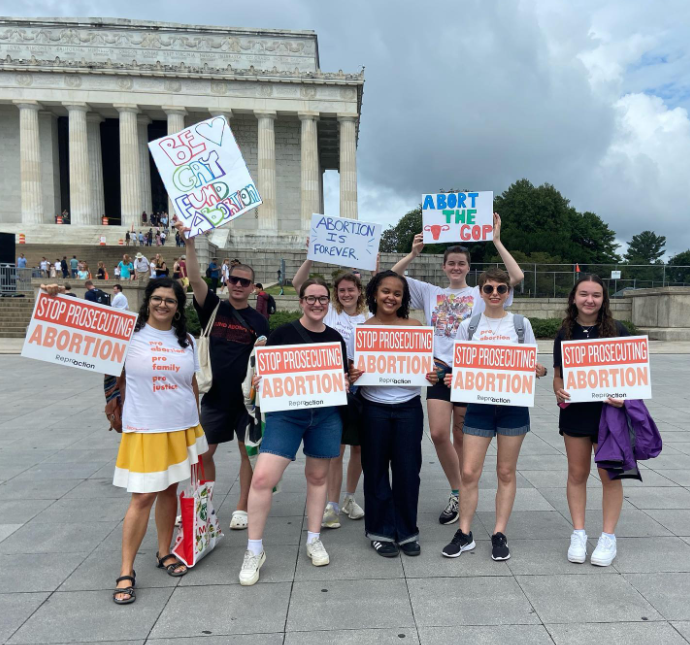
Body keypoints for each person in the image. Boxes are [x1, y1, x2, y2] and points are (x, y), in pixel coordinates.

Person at [392, 214, 524, 525]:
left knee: (461, 436)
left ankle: (465, 490)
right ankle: (456, 489)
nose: (455, 268)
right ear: (444, 266)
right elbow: (389, 276)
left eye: (461, 264)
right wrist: (412, 255)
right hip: (437, 370)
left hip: (468, 372)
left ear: (468, 267)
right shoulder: (429, 292)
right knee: (438, 433)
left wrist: (496, 240)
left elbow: (515, 277)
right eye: (450, 263)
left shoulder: (480, 294)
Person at [240, 278, 346, 585]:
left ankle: (314, 537)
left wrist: (344, 384)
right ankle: (254, 549)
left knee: (317, 477)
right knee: (262, 478)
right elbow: (266, 372)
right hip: (287, 416)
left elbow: (338, 378)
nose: (316, 304)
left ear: (329, 303)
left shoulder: (335, 338)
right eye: (311, 298)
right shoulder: (283, 333)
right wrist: (261, 381)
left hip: (324, 416)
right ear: (301, 302)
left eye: (322, 299)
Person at [109, 278, 206, 604]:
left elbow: (191, 382)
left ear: (178, 307)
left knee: (169, 490)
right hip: (145, 428)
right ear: (147, 301)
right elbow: (88, 341)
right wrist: (52, 298)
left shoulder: (187, 340)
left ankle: (164, 552)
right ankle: (126, 569)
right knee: (142, 497)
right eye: (157, 299)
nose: (163, 305)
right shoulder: (128, 335)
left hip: (180, 425)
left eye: (170, 300)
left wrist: (197, 420)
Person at [441, 268, 545, 562]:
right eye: (489, 288)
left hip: (513, 407)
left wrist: (538, 369)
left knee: (505, 472)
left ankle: (499, 533)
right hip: (479, 407)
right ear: (480, 292)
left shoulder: (521, 325)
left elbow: (532, 363)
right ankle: (464, 533)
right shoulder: (469, 326)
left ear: (508, 293)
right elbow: (460, 367)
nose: (496, 293)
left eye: (502, 288)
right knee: (470, 472)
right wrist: (454, 378)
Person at [173, 217, 269, 532]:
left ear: (254, 287)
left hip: (245, 400)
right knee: (204, 452)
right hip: (214, 394)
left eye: (245, 282)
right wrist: (189, 242)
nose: (239, 285)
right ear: (227, 282)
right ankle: (205, 501)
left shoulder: (259, 320)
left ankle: (242, 506)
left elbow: (264, 358)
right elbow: (196, 278)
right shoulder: (213, 307)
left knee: (247, 453)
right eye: (234, 280)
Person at [349, 270, 437, 556]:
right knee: (374, 471)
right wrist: (352, 374)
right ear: (374, 293)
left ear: (404, 298)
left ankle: (407, 530)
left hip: (408, 408)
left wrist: (432, 375)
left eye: (397, 293)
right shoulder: (361, 330)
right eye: (386, 291)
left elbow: (427, 368)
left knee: (408, 472)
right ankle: (380, 531)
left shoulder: (415, 326)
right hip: (373, 407)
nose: (391, 297)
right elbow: (350, 372)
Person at [553, 275, 628, 567]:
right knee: (577, 473)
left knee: (609, 475)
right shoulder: (565, 332)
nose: (589, 300)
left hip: (608, 414)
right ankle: (579, 533)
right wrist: (558, 391)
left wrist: (624, 397)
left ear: (603, 300)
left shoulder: (617, 331)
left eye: (596, 295)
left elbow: (629, 376)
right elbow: (559, 375)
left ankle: (608, 537)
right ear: (574, 298)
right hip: (575, 413)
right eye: (583, 294)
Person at [293, 256, 369, 528]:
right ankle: (332, 504)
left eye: (351, 289)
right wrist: (310, 257)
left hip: (363, 384)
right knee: (335, 448)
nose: (346, 294)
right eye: (341, 290)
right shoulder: (329, 313)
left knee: (358, 447)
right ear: (334, 294)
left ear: (360, 291)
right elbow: (298, 283)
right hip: (333, 384)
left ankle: (350, 497)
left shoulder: (369, 316)